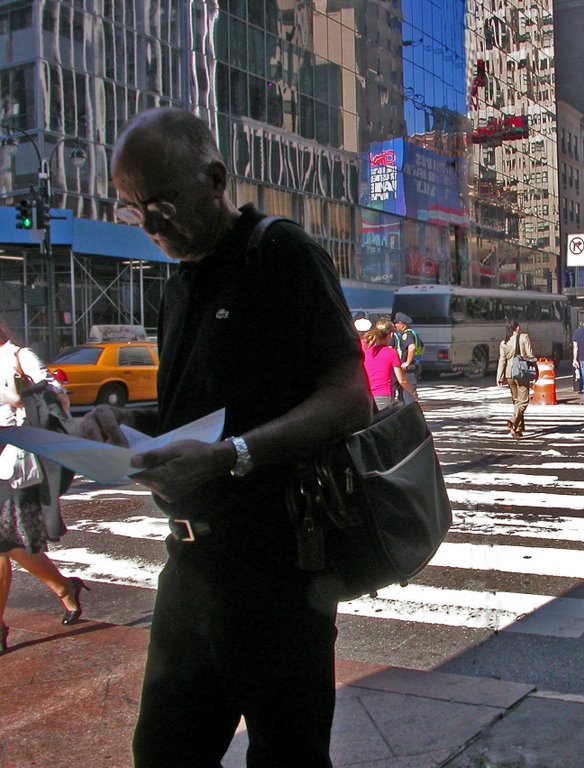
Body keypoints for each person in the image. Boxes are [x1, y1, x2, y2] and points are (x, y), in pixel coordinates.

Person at [79, 107, 373, 768]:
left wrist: (232, 456)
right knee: (161, 753)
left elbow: (351, 396)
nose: (150, 226)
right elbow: (192, 409)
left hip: (280, 573)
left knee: (287, 757)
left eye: (160, 204)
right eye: (132, 209)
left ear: (215, 178)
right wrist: (121, 430)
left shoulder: (282, 253)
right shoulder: (178, 283)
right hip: (189, 572)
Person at [0, 322, 87, 654]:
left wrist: (23, 397)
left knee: (1, 544)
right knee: (8, 542)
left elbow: (56, 395)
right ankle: (64, 587)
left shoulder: (19, 356)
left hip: (13, 458)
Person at [363, 318, 417, 409]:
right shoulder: (390, 353)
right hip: (382, 397)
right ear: (390, 335)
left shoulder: (366, 350)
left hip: (365, 396)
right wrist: (412, 393)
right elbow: (402, 379)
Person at [496, 319, 533, 438]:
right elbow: (530, 355)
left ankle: (517, 429)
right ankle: (513, 421)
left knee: (516, 401)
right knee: (524, 401)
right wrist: (535, 368)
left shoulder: (504, 342)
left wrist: (499, 377)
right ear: (517, 328)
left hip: (509, 373)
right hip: (521, 372)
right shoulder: (524, 337)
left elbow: (502, 360)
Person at [392, 311, 422, 404]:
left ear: (402, 324)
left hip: (408, 370)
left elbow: (412, 347)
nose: (395, 326)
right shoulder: (414, 333)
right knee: (403, 395)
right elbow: (421, 347)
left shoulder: (407, 335)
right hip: (414, 367)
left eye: (396, 323)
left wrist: (407, 362)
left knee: (407, 397)